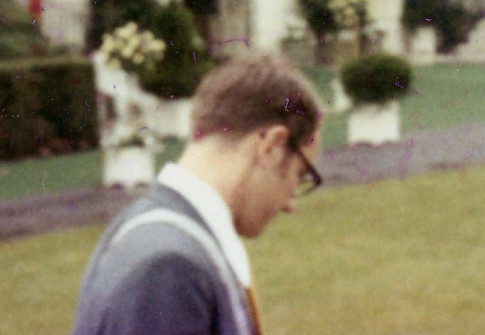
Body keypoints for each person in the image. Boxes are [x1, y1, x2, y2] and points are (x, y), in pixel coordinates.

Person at [70, 52, 323, 335]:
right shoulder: (169, 269)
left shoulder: (160, 234)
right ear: (272, 147)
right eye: (299, 175)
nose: (291, 203)